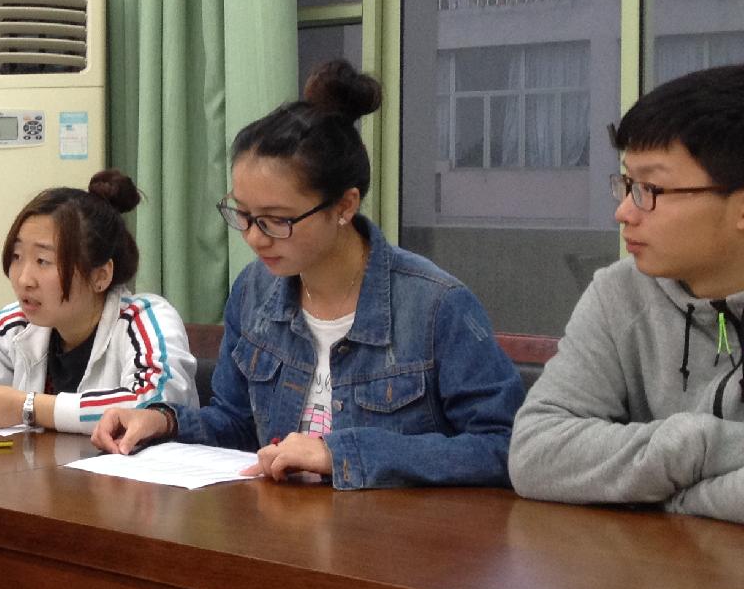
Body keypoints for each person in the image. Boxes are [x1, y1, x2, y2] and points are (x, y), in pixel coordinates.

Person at [93, 61, 523, 488]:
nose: (254, 238)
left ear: (345, 206)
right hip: (282, 524)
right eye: (243, 214)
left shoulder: (435, 306)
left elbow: (503, 446)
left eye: (276, 220)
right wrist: (163, 421)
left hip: (396, 528)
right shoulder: (254, 292)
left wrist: (342, 454)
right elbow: (236, 424)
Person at [511, 63, 744, 520]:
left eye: (650, 189)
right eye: (627, 184)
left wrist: (669, 497)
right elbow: (535, 452)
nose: (624, 211)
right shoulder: (620, 292)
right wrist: (694, 445)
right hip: (650, 562)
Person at [0, 171, 197, 432]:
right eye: (17, 257)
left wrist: (29, 407)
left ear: (100, 276)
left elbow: (155, 404)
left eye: (43, 261)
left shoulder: (145, 320)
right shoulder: (18, 323)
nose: (24, 279)